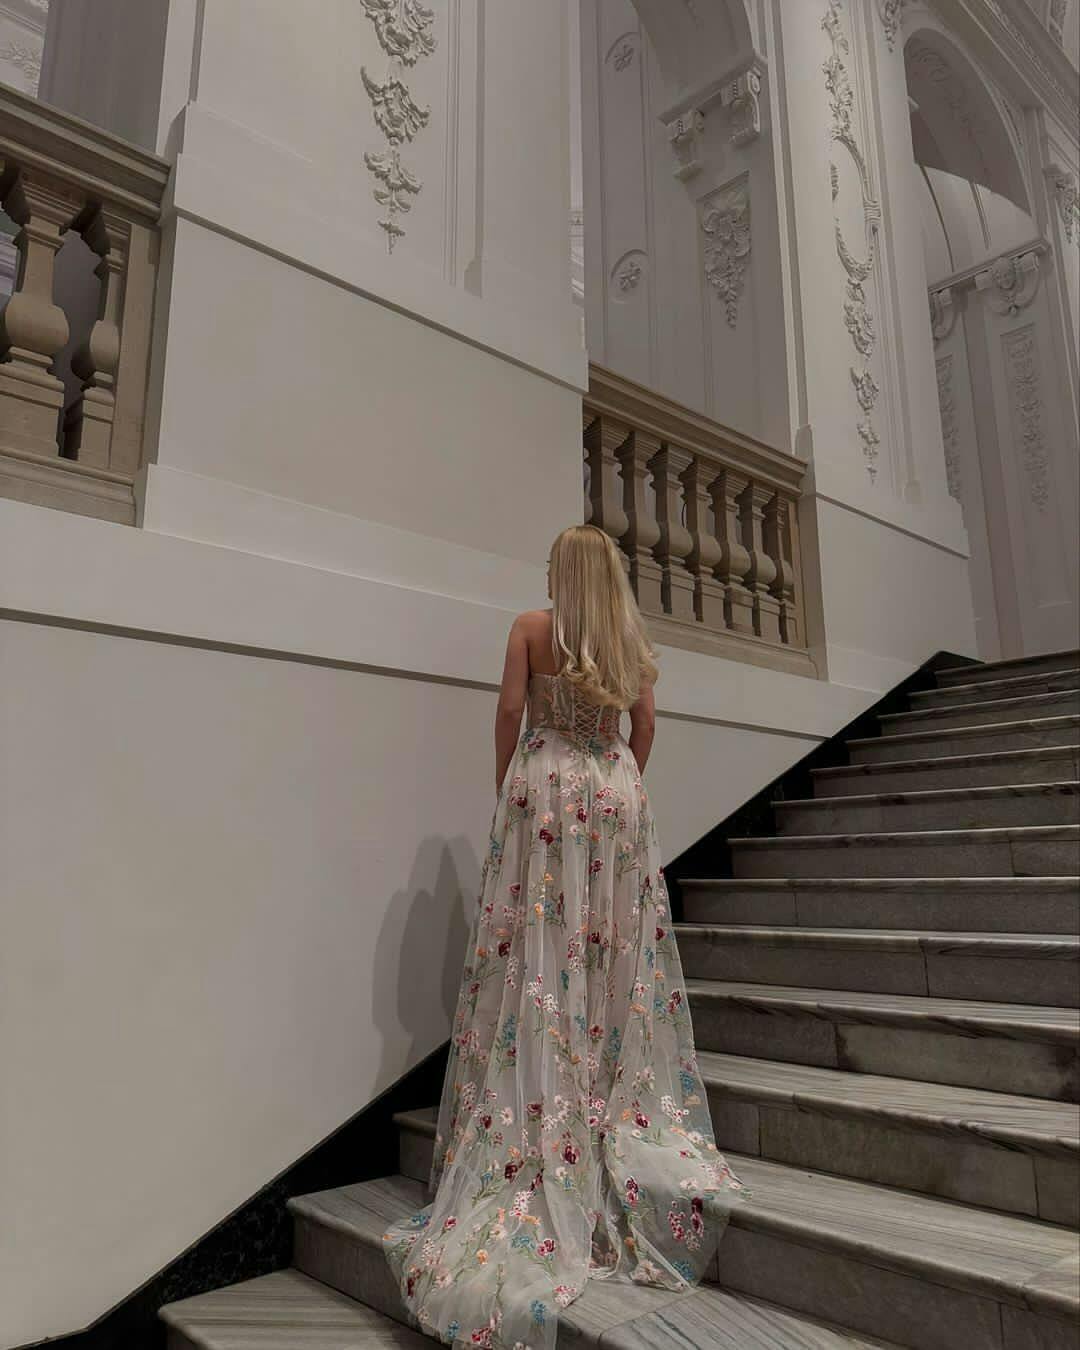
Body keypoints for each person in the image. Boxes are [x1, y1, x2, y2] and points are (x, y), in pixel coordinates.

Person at [382, 524, 747, 1349]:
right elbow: (644, 726)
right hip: (613, 792)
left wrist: (510, 780)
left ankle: (546, 1099)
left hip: (546, 787)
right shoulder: (628, 639)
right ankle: (607, 1087)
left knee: (544, 950)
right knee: (610, 948)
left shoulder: (529, 629)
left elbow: (511, 711)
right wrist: (619, 782)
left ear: (562, 573)